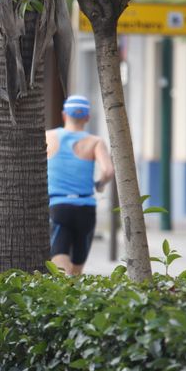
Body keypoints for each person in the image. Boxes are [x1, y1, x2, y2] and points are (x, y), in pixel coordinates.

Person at [45, 95, 114, 276]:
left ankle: (65, 293)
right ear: (87, 117)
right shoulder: (95, 142)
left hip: (57, 207)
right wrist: (99, 185)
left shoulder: (48, 137)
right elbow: (108, 171)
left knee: (59, 262)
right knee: (77, 267)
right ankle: (74, 289)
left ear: (64, 115)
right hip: (86, 208)